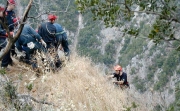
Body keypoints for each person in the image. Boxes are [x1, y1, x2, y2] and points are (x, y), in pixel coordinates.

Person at [0, 5, 14, 69]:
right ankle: (4, 66)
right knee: (7, 48)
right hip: (1, 37)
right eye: (2, 12)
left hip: (2, 36)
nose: (4, 14)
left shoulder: (2, 18)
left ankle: (8, 62)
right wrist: (6, 33)